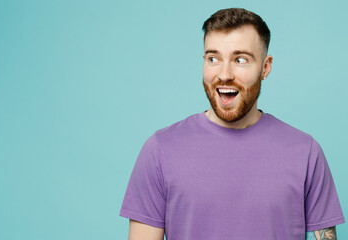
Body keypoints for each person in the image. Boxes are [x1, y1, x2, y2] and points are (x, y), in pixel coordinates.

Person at [119, 8, 345, 240]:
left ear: (265, 68)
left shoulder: (305, 152)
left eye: (240, 59)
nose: (224, 74)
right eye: (213, 58)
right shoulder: (160, 150)